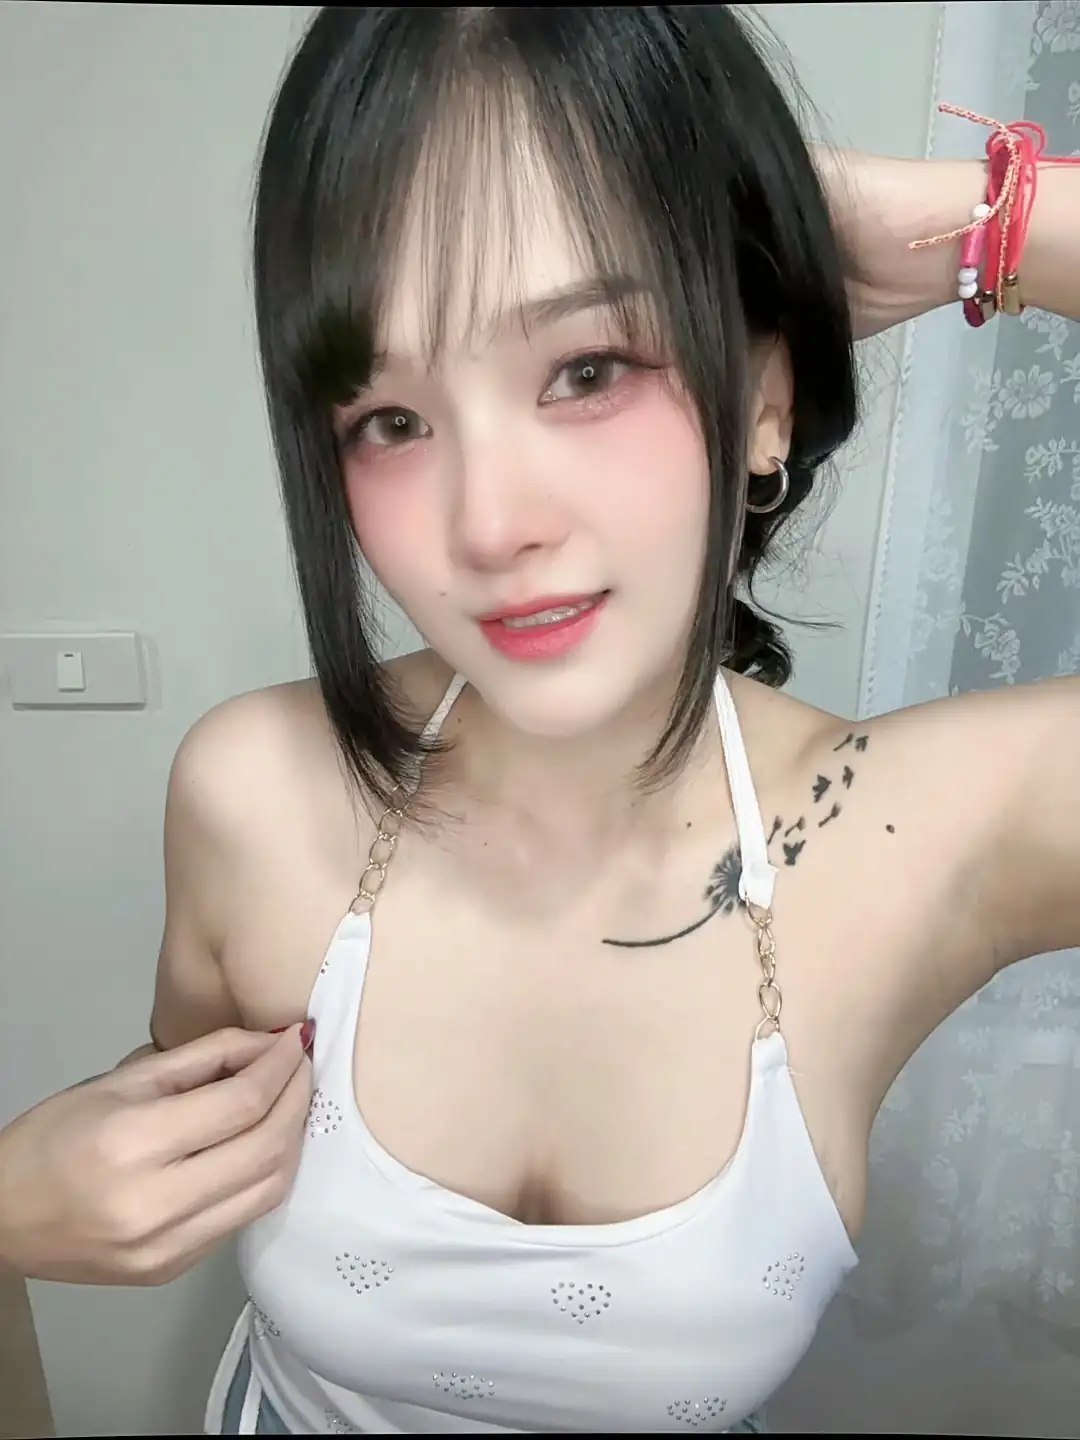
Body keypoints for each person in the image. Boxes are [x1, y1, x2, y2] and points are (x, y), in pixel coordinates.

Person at [1, 7, 1078, 1435]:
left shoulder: (922, 838)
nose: (488, 526)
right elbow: (178, 1103)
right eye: (390, 420)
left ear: (765, 398)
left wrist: (989, 224)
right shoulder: (254, 793)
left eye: (587, 368)